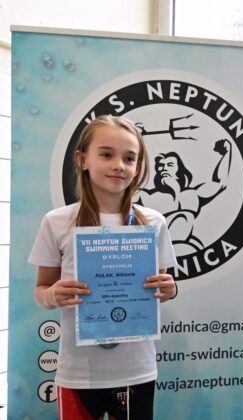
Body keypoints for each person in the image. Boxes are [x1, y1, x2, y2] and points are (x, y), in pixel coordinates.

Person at [29, 115, 177, 419]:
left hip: (136, 370)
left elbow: (162, 288)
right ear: (82, 159)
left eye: (129, 158)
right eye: (107, 155)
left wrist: (170, 289)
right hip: (78, 373)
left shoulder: (154, 222)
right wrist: (53, 294)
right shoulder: (57, 222)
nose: (119, 165)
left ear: (138, 166)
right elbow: (41, 291)